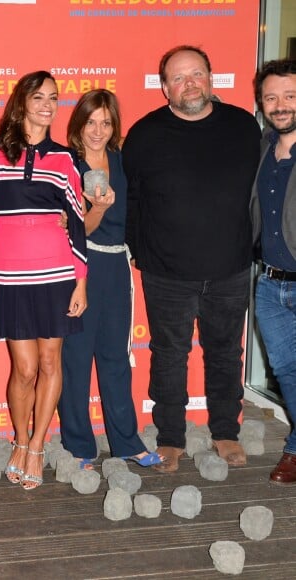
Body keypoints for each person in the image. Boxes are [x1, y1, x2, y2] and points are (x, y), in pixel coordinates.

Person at [122, 45, 262, 473]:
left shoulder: (243, 127)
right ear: (165, 87)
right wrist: (144, 255)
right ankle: (169, 438)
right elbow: (132, 202)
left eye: (197, 74)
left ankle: (225, 432)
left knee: (225, 354)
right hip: (167, 274)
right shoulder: (144, 134)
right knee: (168, 355)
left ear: (211, 77)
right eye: (179, 78)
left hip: (231, 270)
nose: (190, 84)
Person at [0, 70, 88, 489]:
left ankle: (38, 446)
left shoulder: (64, 158)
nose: (47, 104)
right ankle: (20, 440)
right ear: (21, 101)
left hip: (58, 274)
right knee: (23, 369)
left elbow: (77, 223)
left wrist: (81, 282)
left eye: (54, 98)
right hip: (9, 276)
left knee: (49, 362)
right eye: (39, 96)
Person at [59, 90, 162, 469]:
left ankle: (126, 442)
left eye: (106, 122)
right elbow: (75, 231)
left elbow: (137, 214)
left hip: (117, 267)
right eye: (91, 122)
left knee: (116, 358)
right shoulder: (66, 163)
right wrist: (98, 209)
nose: (98, 130)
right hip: (78, 269)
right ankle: (80, 446)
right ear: (78, 124)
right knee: (75, 359)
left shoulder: (122, 162)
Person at [251, 58, 296, 485]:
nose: (280, 105)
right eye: (271, 97)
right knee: (286, 372)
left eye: (290, 96)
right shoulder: (263, 145)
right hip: (270, 284)